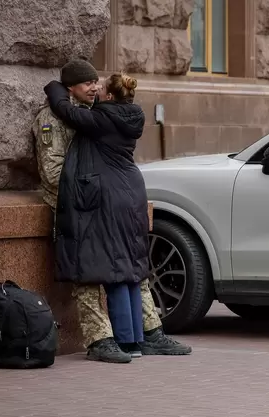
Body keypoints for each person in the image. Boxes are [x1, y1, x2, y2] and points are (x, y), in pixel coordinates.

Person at [32, 59, 192, 363]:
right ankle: (101, 338)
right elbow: (52, 173)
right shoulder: (52, 118)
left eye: (97, 83)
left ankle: (147, 333)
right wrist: (87, 189)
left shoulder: (96, 114)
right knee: (90, 275)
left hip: (104, 204)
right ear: (70, 88)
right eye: (87, 83)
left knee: (131, 269)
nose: (94, 88)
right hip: (79, 206)